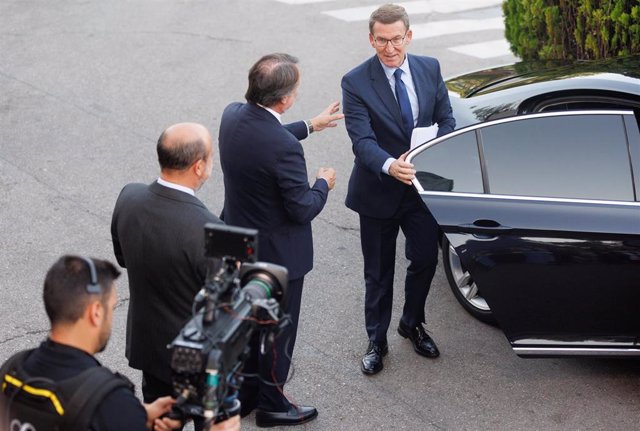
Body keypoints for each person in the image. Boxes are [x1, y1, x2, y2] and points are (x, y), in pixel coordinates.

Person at [218, 53, 342, 427]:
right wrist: (323, 183)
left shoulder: (232, 116)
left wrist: (310, 125)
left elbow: (264, 139)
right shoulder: (283, 148)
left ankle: (247, 394)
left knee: (248, 324)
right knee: (277, 330)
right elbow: (302, 208)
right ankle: (273, 403)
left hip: (238, 241)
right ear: (284, 99)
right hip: (277, 257)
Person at [341, 3, 456, 375]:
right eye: (381, 41)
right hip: (378, 191)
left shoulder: (429, 68)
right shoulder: (355, 82)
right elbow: (362, 141)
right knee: (378, 273)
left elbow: (446, 118)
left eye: (396, 40)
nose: (390, 49)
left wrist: (437, 150)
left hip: (422, 189)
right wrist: (392, 165)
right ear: (370, 38)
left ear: (408, 36)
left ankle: (412, 324)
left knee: (424, 260)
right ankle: (377, 340)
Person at [0, 255, 240, 431]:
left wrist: (138, 416)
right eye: (112, 307)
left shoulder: (12, 369)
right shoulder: (109, 402)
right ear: (95, 313)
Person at [110, 123, 223, 419]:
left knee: (158, 420)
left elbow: (122, 257)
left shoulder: (129, 197)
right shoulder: (211, 230)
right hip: (198, 358)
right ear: (199, 167)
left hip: (151, 347)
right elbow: (224, 299)